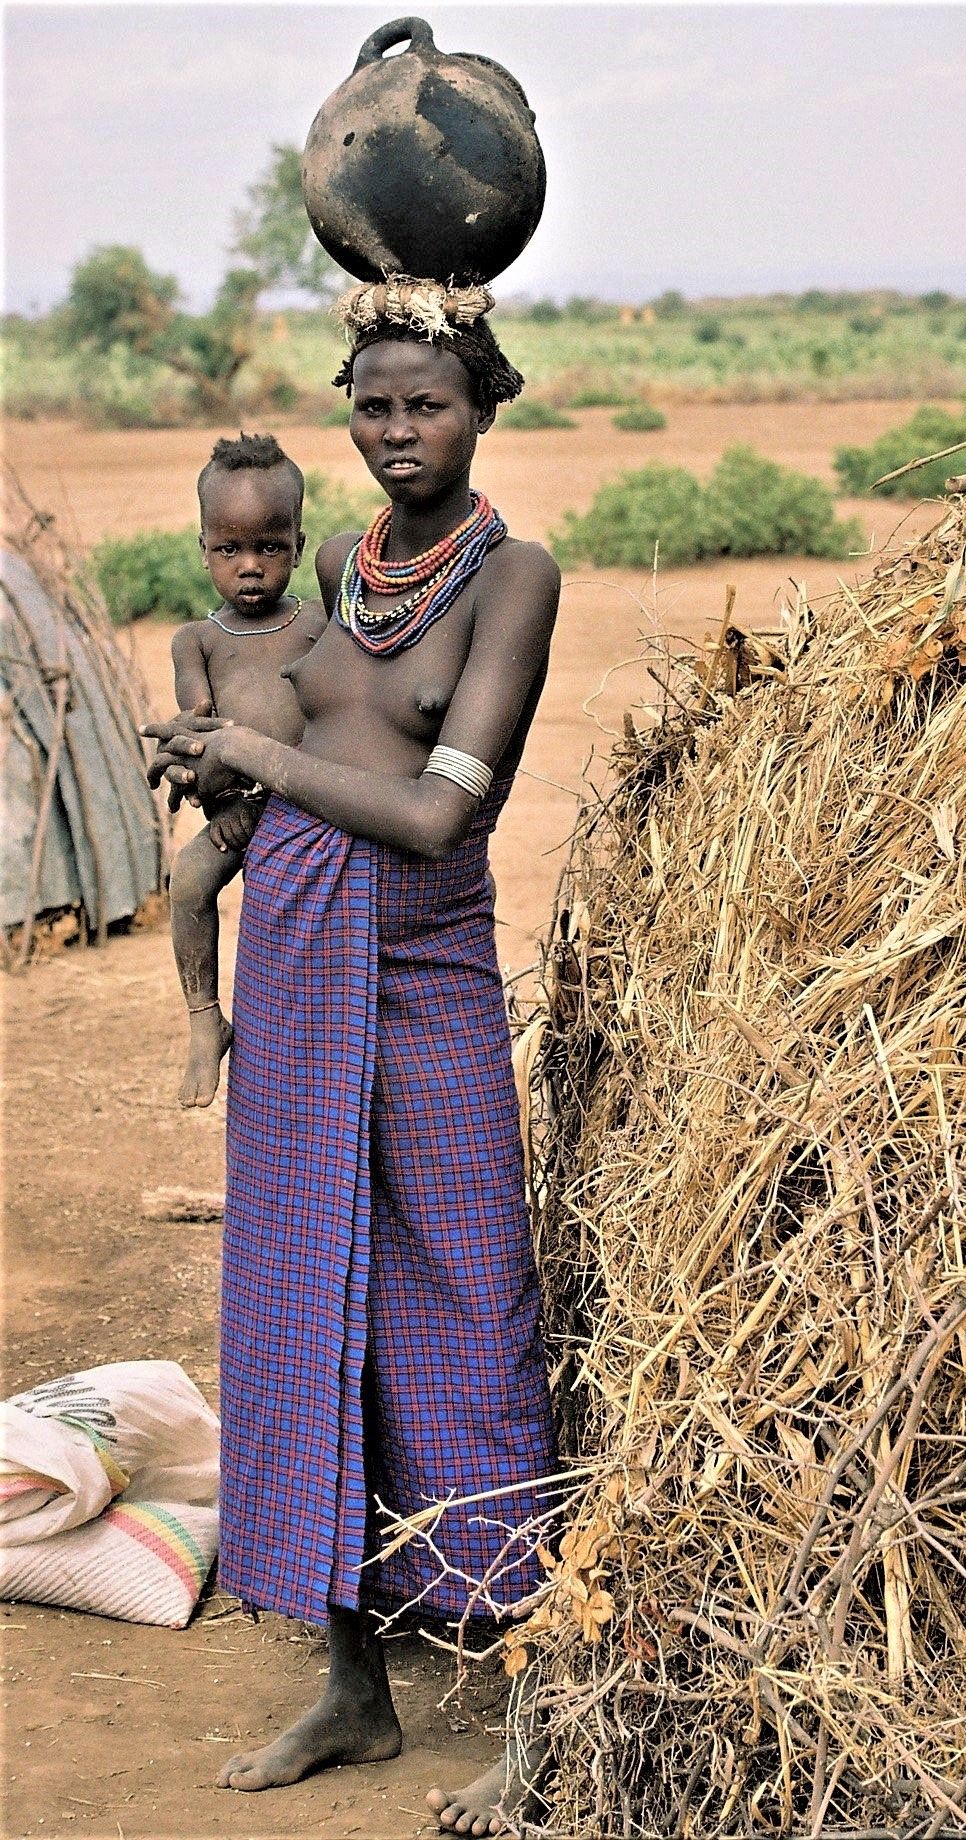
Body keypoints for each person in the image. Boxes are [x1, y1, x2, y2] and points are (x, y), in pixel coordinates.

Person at [144, 277, 561, 1838]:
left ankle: (530, 1696)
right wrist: (219, 763)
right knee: (304, 1295)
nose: (398, 432)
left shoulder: (514, 577)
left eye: (428, 404)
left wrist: (249, 753)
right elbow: (304, 747)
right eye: (374, 405)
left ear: (484, 406)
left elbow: (444, 810)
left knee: (471, 1301)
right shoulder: (333, 562)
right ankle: (352, 1682)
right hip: (304, 954)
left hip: (428, 971)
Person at [168, 433, 327, 1107]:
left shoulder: (321, 624)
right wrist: (216, 804)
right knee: (188, 881)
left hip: (316, 803)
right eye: (229, 549)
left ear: (297, 541)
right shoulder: (197, 641)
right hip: (237, 807)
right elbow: (198, 731)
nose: (252, 567)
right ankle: (206, 1020)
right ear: (204, 548)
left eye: (270, 546)